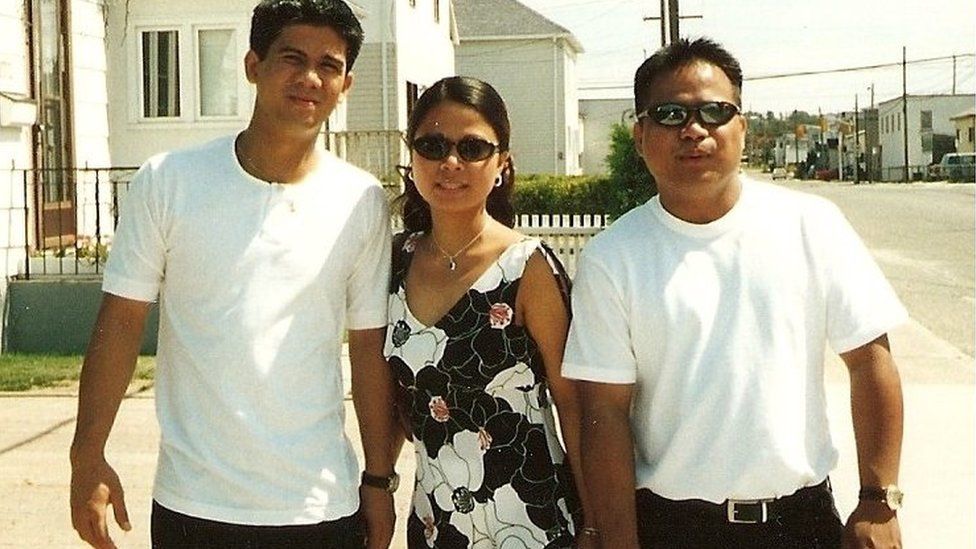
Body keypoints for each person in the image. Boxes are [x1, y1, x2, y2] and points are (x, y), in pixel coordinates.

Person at [68, 1, 401, 547]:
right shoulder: (168, 180)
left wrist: (379, 480)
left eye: (330, 65)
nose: (310, 78)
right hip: (193, 505)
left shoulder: (360, 199)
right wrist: (87, 454)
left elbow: (369, 349)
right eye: (292, 57)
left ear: (346, 84)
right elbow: (121, 322)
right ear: (253, 65)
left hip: (321, 507)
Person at [563, 38, 907, 549]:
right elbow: (605, 413)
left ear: (742, 128)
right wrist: (619, 539)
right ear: (640, 135)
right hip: (672, 529)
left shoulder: (812, 225)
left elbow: (870, 359)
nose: (694, 129)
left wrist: (879, 500)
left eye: (715, 112)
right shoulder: (612, 258)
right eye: (670, 114)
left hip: (801, 523)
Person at [384, 76, 596, 548]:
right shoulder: (394, 262)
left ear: (502, 164)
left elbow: (575, 409)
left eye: (473, 147)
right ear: (412, 158)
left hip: (533, 523)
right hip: (437, 524)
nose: (451, 162)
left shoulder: (528, 267)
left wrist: (598, 522)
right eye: (433, 145)